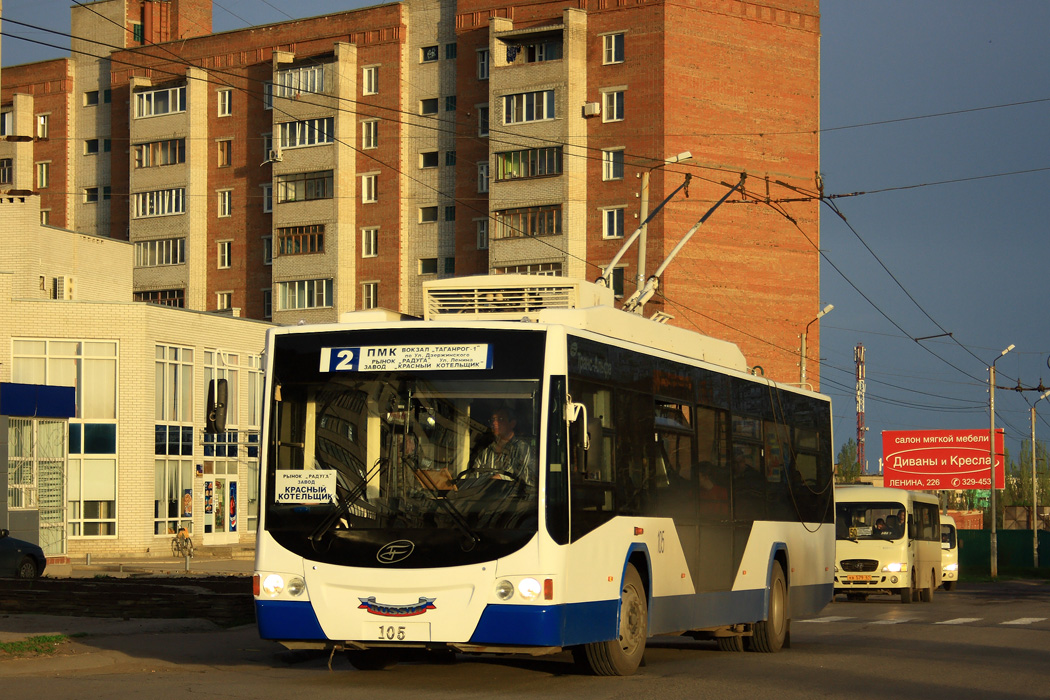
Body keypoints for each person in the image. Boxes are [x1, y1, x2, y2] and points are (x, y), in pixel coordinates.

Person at [470, 407, 536, 485]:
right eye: (492, 420)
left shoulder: (521, 448)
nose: (494, 423)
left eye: (500, 419)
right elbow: (473, 476)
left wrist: (492, 481)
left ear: (512, 423)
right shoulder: (487, 452)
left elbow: (515, 476)